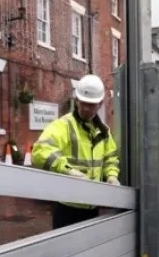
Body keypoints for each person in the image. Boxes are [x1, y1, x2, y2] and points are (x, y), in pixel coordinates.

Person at [31, 74, 120, 229]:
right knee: (66, 252)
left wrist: (112, 176)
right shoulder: (63, 125)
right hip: (67, 207)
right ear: (77, 100)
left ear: (100, 104)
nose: (86, 109)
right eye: (83, 103)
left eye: (91, 105)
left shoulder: (103, 132)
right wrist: (69, 171)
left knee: (89, 251)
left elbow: (110, 158)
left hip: (92, 207)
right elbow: (40, 152)